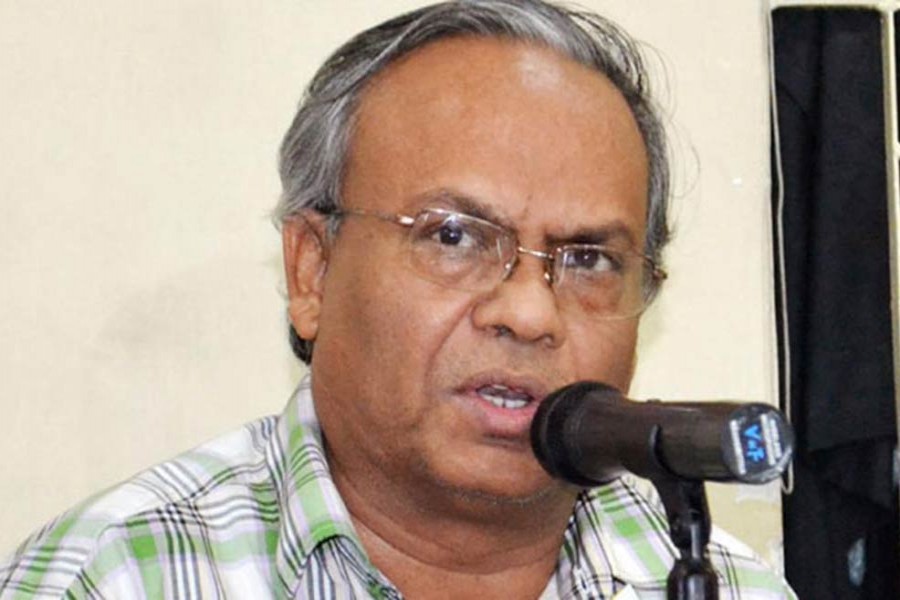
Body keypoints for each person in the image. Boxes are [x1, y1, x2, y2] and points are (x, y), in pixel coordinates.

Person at [0, 1, 794, 598]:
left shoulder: (730, 587)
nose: (529, 313)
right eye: (454, 236)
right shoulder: (111, 577)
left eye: (588, 259)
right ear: (312, 271)